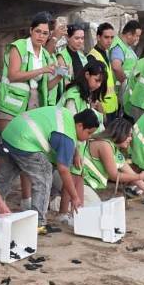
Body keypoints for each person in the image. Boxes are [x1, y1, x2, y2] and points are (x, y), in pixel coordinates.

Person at [0, 107, 100, 233]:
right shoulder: (67, 138)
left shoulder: (67, 115)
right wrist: (74, 197)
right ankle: (38, 223)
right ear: (80, 126)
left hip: (10, 133)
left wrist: (76, 152)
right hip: (24, 141)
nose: (88, 138)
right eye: (89, 133)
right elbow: (63, 170)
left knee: (5, 177)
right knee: (44, 176)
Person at [55, 61, 106, 225]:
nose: (98, 85)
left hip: (78, 142)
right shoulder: (74, 94)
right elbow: (71, 123)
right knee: (71, 177)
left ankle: (74, 211)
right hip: (68, 141)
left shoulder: (84, 95)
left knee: (77, 176)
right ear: (87, 75)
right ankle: (64, 213)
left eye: (100, 82)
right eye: (96, 80)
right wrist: (76, 151)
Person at [0, 13, 61, 129]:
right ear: (31, 30)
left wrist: (60, 76)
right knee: (6, 143)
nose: (41, 36)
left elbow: (45, 87)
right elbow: (13, 76)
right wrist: (41, 70)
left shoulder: (45, 54)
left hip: (33, 106)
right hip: (10, 106)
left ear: (49, 35)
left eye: (45, 33)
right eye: (38, 31)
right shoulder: (19, 46)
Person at [83, 118, 144, 202]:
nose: (130, 138)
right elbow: (114, 175)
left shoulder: (114, 148)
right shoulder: (105, 144)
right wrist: (139, 176)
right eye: (128, 135)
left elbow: (131, 173)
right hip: (84, 186)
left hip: (89, 187)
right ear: (120, 133)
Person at [87, 23, 119, 122]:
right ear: (98, 37)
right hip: (102, 107)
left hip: (112, 106)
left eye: (112, 37)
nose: (109, 41)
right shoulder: (92, 56)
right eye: (106, 37)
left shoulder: (105, 53)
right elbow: (91, 84)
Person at [110, 19, 142, 84]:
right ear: (129, 35)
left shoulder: (127, 47)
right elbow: (116, 67)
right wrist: (125, 83)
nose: (138, 39)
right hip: (121, 91)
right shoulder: (118, 47)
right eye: (137, 36)